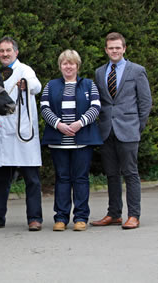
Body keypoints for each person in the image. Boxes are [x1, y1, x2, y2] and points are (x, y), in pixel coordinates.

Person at [0, 36, 43, 231]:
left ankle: (34, 219)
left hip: (22, 132)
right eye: (1, 51)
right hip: (3, 133)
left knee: (31, 180)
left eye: (8, 51)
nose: (5, 54)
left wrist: (26, 85)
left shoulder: (25, 70)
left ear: (16, 52)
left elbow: (37, 86)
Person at [90, 32, 152, 229]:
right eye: (111, 48)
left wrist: (137, 126)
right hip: (106, 130)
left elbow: (145, 102)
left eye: (118, 47)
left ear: (124, 48)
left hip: (129, 130)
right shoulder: (100, 72)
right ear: (106, 50)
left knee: (130, 173)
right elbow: (99, 102)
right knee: (111, 174)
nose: (114, 51)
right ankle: (114, 214)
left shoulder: (137, 70)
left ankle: (134, 215)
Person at [40, 49, 102, 231]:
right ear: (60, 66)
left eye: (72, 63)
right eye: (65, 63)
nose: (68, 66)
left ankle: (81, 218)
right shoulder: (50, 85)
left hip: (81, 139)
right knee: (62, 178)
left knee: (81, 178)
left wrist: (79, 123)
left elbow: (96, 107)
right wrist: (59, 125)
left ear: (77, 66)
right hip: (58, 140)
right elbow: (44, 108)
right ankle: (60, 218)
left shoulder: (89, 85)